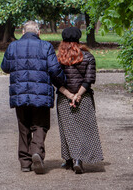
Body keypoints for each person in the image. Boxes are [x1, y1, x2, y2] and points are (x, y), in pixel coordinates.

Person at [1, 21, 66, 174]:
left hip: (20, 94)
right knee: (40, 125)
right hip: (41, 93)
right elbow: (54, 70)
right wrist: (63, 82)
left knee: (23, 127)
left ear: (22, 32)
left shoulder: (13, 46)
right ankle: (36, 151)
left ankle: (25, 162)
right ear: (38, 33)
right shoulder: (46, 46)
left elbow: (5, 67)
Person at [56, 27, 104, 174]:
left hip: (64, 98)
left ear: (63, 39)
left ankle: (70, 160)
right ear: (78, 38)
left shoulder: (58, 58)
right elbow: (89, 79)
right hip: (84, 98)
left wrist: (70, 95)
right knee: (84, 129)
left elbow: (56, 80)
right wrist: (78, 95)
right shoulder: (88, 57)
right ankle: (79, 159)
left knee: (67, 130)